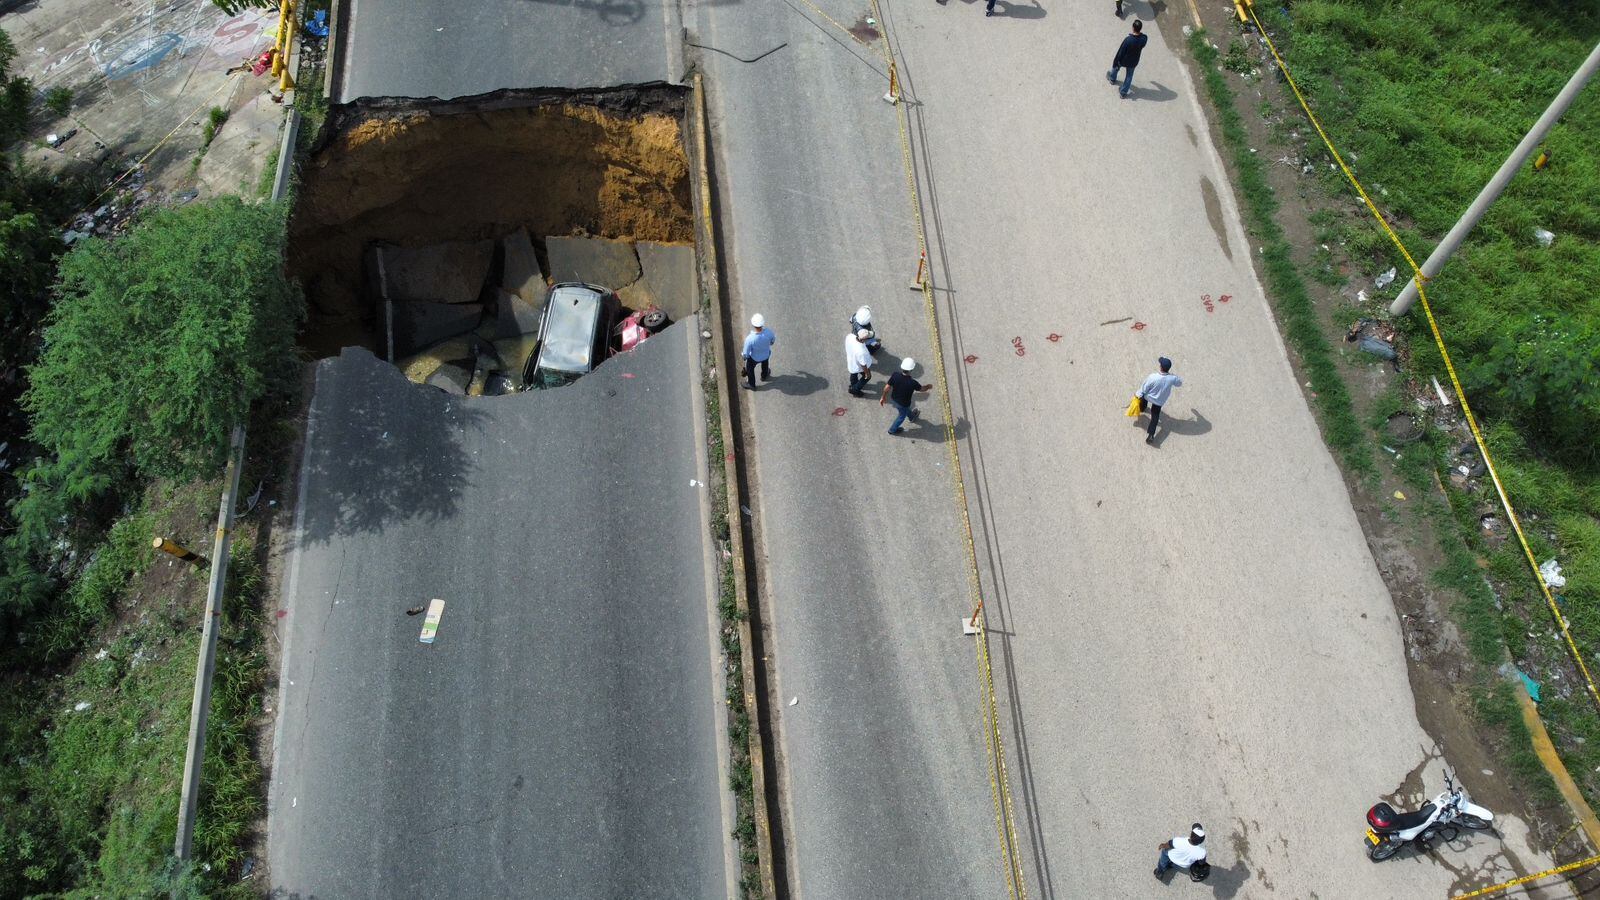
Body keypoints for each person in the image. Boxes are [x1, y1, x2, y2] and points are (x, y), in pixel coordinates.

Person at [1136, 356, 1183, 445]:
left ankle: (1142, 408)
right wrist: (1173, 375)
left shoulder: (1153, 377)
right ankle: (1151, 435)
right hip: (1159, 401)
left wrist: (1137, 395)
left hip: (1149, 397)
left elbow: (1144, 388)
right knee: (1155, 417)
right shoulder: (1172, 378)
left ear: (1160, 367)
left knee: (1143, 398)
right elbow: (1179, 383)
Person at [881, 357, 931, 434]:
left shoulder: (895, 375)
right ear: (911, 370)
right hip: (903, 403)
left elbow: (887, 387)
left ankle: (912, 417)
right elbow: (922, 389)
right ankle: (892, 430)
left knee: (904, 409)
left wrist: (883, 397)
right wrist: (928, 386)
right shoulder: (913, 383)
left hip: (894, 399)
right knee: (901, 416)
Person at [1107, 19, 1149, 99]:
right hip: (1133, 62)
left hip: (1124, 60)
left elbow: (1121, 52)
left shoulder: (1128, 40)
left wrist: (1116, 61)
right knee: (1129, 76)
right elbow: (1144, 37)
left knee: (1116, 67)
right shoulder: (1143, 39)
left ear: (1133, 28)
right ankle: (1123, 93)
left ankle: (1112, 78)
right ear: (1140, 29)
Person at [741, 314, 775, 390]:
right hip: (766, 354)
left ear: (753, 325)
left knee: (749, 368)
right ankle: (764, 375)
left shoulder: (750, 339)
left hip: (754, 357)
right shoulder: (769, 332)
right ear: (762, 324)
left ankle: (751, 384)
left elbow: (746, 353)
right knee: (765, 363)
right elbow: (772, 341)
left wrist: (744, 356)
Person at [845, 329, 874, 396]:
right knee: (867, 377)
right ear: (863, 340)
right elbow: (863, 364)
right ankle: (854, 389)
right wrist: (867, 373)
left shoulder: (850, 336)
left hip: (851, 361)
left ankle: (853, 384)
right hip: (858, 366)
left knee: (853, 373)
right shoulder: (861, 351)